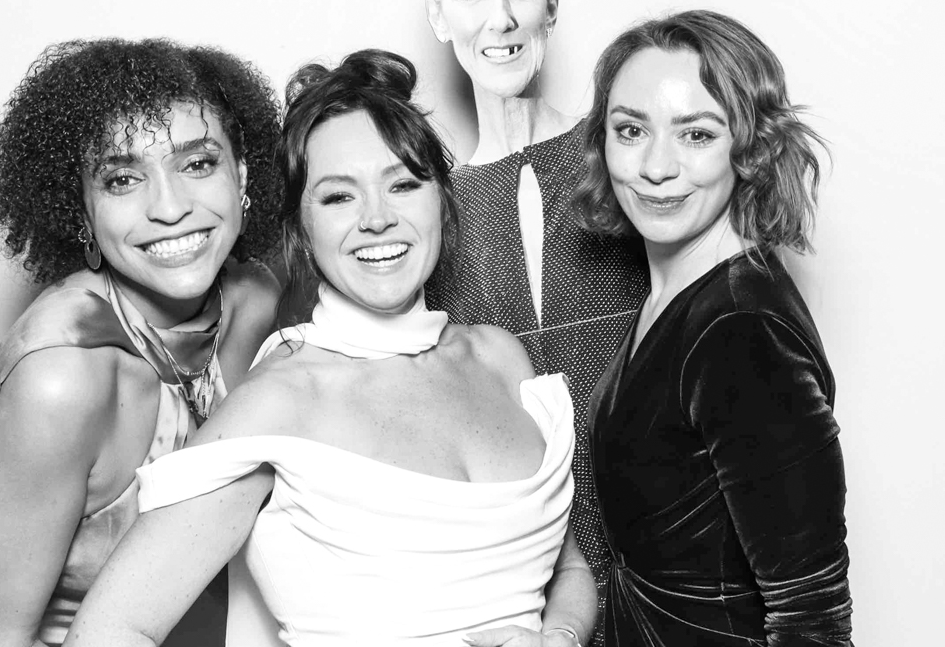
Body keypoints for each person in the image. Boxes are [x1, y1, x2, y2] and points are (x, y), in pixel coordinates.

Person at [64, 50, 597, 647]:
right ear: (301, 228)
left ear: (443, 202)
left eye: (402, 184)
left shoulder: (503, 359)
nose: (377, 218)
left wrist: (562, 637)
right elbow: (112, 629)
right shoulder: (280, 404)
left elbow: (567, 566)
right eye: (339, 197)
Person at [0, 39, 283, 647]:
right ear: (82, 211)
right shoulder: (62, 373)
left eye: (197, 164)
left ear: (242, 175)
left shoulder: (258, 302)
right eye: (123, 179)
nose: (171, 207)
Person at [574, 10, 853, 646]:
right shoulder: (673, 297)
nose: (655, 167)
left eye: (696, 135)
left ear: (749, 147)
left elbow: (812, 621)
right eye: (630, 130)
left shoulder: (739, 329)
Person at [423, 0, 648, 590]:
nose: (501, 18)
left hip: (671, 566)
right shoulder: (425, 215)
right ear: (439, 17)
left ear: (552, 3)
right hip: (521, 586)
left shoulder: (632, 156)